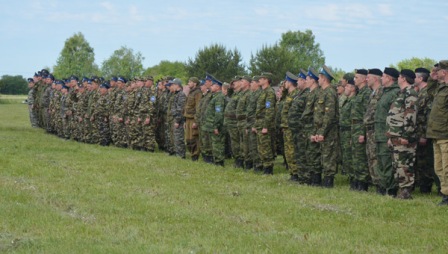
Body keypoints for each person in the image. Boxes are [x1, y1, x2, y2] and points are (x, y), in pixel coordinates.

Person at [386, 69, 418, 199]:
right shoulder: (401, 93)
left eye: (399, 77)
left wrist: (406, 135)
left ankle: (406, 192)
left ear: (403, 78)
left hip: (403, 136)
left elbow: (410, 115)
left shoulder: (410, 93)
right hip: (395, 135)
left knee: (404, 164)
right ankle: (401, 191)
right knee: (397, 165)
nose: (397, 79)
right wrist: (390, 136)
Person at [375, 67, 401, 196]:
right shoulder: (385, 92)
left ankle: (391, 189)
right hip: (379, 133)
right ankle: (383, 186)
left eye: (384, 76)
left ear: (390, 78)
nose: (381, 78)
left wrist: (391, 134)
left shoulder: (395, 93)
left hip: (386, 134)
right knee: (381, 161)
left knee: (388, 163)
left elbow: (394, 116)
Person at [312, 65, 339, 187]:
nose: (318, 79)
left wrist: (322, 132)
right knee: (323, 155)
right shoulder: (322, 92)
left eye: (320, 77)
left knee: (328, 155)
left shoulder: (330, 93)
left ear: (324, 78)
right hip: (320, 129)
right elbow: (318, 115)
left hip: (329, 131)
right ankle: (323, 179)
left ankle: (328, 182)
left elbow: (329, 116)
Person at [427, 60, 448, 205]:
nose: (437, 73)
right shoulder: (440, 89)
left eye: (438, 71)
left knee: (447, 168)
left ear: (444, 72)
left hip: (445, 134)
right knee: (439, 168)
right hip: (436, 134)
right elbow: (429, 92)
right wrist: (432, 79)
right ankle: (445, 194)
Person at [414, 67, 435, 193]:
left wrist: (424, 135)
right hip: (418, 131)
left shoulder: (427, 93)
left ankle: (426, 186)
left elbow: (427, 116)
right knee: (420, 160)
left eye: (416, 77)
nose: (414, 79)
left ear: (421, 78)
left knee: (425, 161)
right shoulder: (420, 92)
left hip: (424, 133)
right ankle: (422, 183)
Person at [351, 69, 371, 191]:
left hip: (360, 128)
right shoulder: (359, 93)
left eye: (357, 77)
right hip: (355, 128)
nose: (354, 80)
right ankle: (357, 180)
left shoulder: (367, 93)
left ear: (364, 79)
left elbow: (366, 114)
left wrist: (363, 133)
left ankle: (363, 183)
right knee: (356, 157)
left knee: (361, 157)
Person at [364, 68, 384, 193]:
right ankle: (377, 183)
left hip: (377, 130)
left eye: (368, 77)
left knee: (376, 158)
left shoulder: (381, 92)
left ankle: (381, 185)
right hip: (370, 130)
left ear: (375, 79)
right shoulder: (372, 92)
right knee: (371, 157)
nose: (367, 79)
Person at [253, 72, 276, 174]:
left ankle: (268, 168)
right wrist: (255, 124)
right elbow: (258, 110)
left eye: (262, 78)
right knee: (260, 146)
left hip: (265, 123)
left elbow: (269, 110)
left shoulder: (269, 92)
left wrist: (265, 126)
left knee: (266, 147)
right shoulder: (262, 92)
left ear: (267, 80)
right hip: (259, 122)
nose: (259, 80)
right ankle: (263, 165)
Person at [301, 68, 321, 185]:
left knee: (314, 155)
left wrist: (314, 131)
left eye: (307, 79)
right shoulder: (310, 94)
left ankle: (316, 179)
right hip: (308, 129)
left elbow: (317, 115)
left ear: (313, 81)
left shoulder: (317, 94)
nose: (305, 81)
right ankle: (311, 178)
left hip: (313, 128)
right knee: (309, 154)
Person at [203, 77, 226, 166]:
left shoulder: (219, 98)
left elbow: (219, 114)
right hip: (211, 125)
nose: (211, 87)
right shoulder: (215, 97)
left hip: (216, 125)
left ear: (217, 87)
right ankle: (216, 160)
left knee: (218, 144)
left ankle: (219, 162)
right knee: (214, 144)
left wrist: (216, 126)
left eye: (212, 86)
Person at [281, 72, 299, 180]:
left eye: (286, 81)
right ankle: (292, 172)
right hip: (286, 127)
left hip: (291, 127)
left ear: (290, 82)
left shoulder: (296, 94)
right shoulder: (289, 95)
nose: (284, 84)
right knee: (288, 151)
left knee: (292, 151)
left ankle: (296, 173)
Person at [340, 79, 356, 189]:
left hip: (350, 131)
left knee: (351, 157)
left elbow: (353, 119)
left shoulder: (354, 101)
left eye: (347, 86)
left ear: (352, 88)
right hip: (344, 131)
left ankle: (354, 178)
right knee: (346, 157)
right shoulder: (347, 100)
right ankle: (351, 177)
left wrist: (352, 134)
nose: (345, 88)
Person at [224, 76, 242, 166]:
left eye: (236, 81)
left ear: (240, 82)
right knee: (233, 142)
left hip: (235, 121)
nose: (234, 83)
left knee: (237, 142)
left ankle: (239, 160)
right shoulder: (234, 94)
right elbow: (229, 93)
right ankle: (236, 158)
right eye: (233, 81)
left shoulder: (241, 93)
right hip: (230, 122)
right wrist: (231, 86)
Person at [183, 77, 202, 160]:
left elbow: (198, 107)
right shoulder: (191, 92)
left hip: (193, 119)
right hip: (188, 118)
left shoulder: (198, 93)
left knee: (194, 137)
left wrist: (196, 121)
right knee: (188, 139)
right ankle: (192, 153)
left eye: (190, 82)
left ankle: (195, 155)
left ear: (195, 83)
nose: (188, 83)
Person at [170, 78, 187, 158]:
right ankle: (178, 153)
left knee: (179, 138)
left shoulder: (181, 95)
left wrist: (177, 120)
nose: (172, 86)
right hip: (175, 118)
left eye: (173, 85)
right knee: (176, 137)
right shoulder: (176, 94)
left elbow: (181, 109)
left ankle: (181, 154)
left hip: (179, 119)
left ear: (177, 85)